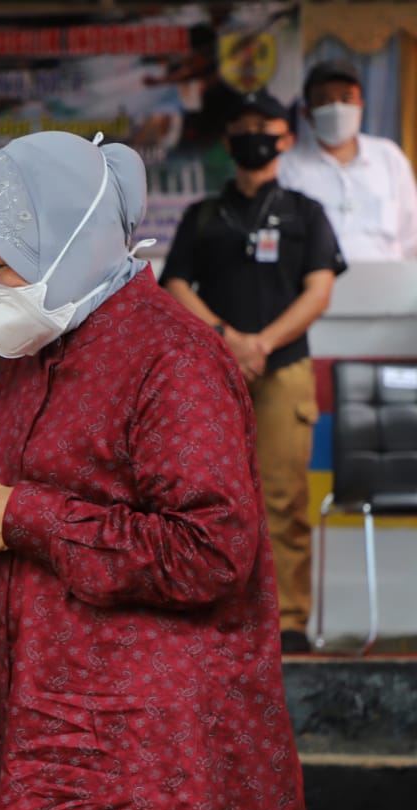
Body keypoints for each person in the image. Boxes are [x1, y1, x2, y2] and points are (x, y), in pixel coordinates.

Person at [0, 131, 307, 810]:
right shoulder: (37, 350)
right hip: (44, 710)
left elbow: (211, 550)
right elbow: (39, 503)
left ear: (74, 248)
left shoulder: (174, 359)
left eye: (4, 264)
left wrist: (27, 518)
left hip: (149, 749)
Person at [161, 89, 345, 654]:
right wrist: (226, 339)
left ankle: (288, 621)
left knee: (285, 499)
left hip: (285, 369)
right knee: (210, 499)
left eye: (265, 124)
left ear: (286, 138)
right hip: (212, 377)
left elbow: (320, 290)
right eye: (242, 125)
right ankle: (222, 618)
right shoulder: (202, 216)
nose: (254, 133)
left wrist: (262, 342)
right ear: (227, 140)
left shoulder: (305, 213)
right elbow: (175, 286)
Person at [279, 58, 417, 262]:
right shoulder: (288, 167)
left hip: (387, 286)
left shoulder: (388, 157)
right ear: (307, 113)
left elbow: (412, 235)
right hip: (317, 289)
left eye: (346, 98)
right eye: (324, 100)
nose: (336, 108)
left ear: (361, 105)